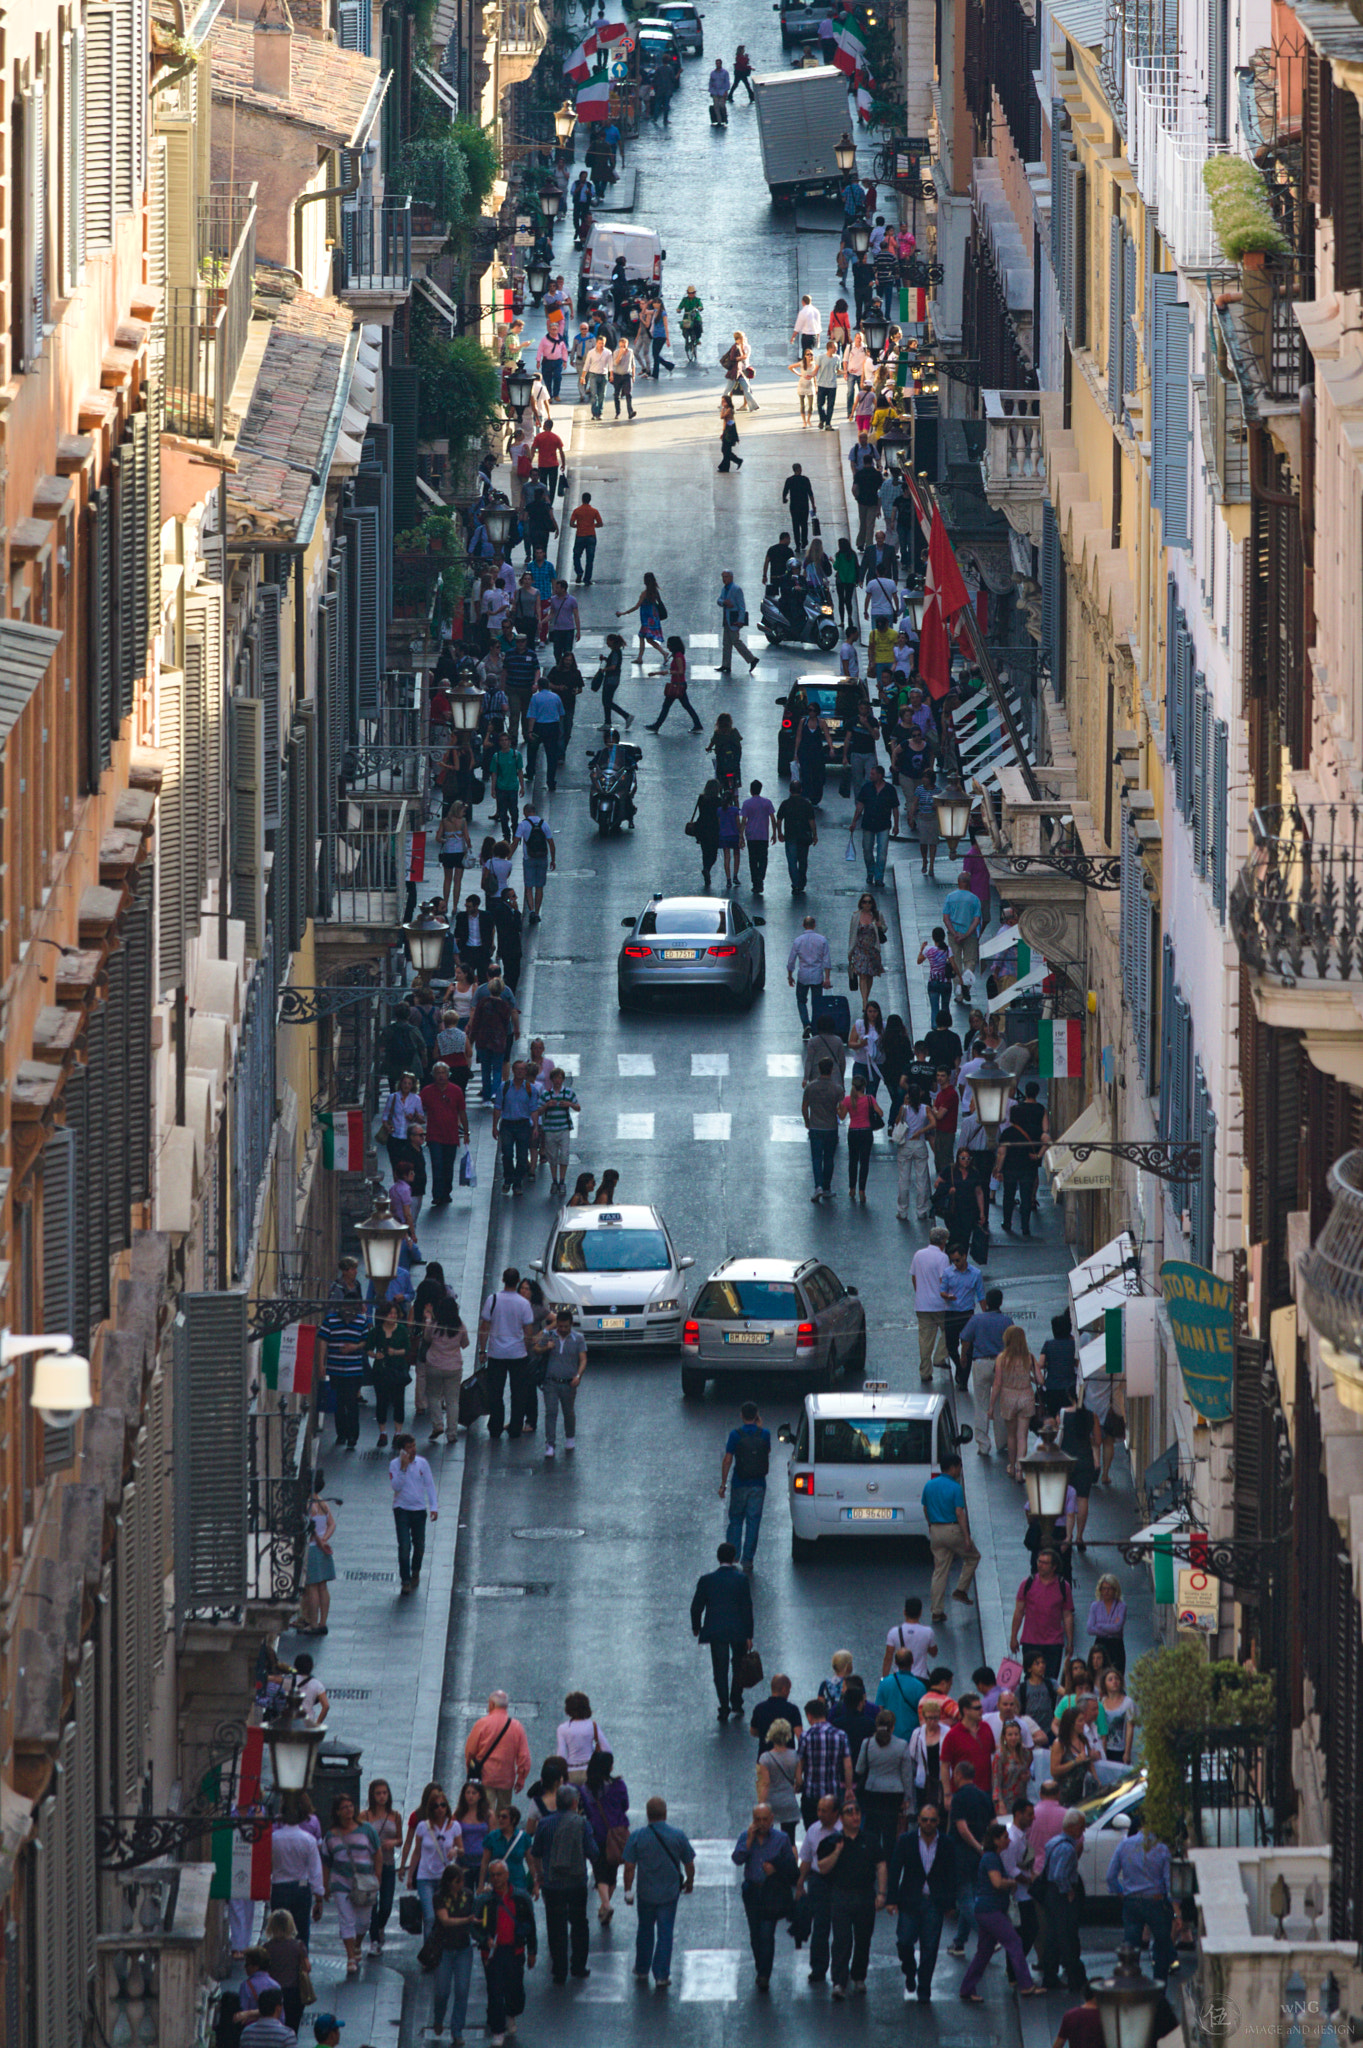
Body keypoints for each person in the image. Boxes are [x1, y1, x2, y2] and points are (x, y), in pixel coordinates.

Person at [958, 1819, 1040, 1998]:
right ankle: (1026, 1984)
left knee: (984, 1952)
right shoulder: (991, 1858)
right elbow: (996, 1882)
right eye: (1004, 1838)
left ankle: (967, 1988)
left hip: (987, 1910)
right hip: (991, 1911)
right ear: (995, 1840)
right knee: (1014, 1942)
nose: (1008, 1841)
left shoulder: (992, 1858)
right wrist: (1011, 1882)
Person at [623, 1796, 696, 1988]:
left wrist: (628, 1890)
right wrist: (690, 1881)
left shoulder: (637, 1836)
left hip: (645, 1893)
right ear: (665, 1813)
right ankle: (661, 1974)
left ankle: (641, 1968)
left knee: (645, 1930)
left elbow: (629, 1866)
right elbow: (689, 1863)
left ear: (647, 1815)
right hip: (669, 1894)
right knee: (665, 1932)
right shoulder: (677, 1835)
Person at [817, 1800, 886, 1998]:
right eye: (849, 1813)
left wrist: (881, 1893)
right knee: (841, 1940)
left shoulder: (871, 1840)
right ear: (841, 1818)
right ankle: (839, 1981)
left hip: (865, 1896)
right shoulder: (831, 1842)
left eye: (857, 1812)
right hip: (841, 1895)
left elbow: (881, 1865)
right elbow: (822, 1867)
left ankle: (859, 1977)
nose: (855, 1816)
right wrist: (837, 1852)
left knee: (863, 1939)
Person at [890, 1800, 954, 2003]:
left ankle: (924, 1988)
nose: (928, 1824)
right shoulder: (906, 1841)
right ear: (918, 1820)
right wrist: (891, 1899)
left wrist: (951, 1903)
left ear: (938, 1822)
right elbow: (895, 1870)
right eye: (924, 1820)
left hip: (934, 1902)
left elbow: (952, 1875)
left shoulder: (946, 1843)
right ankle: (910, 1971)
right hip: (910, 1900)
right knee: (904, 1941)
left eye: (932, 1820)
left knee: (930, 1947)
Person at [530, 1786, 593, 1983]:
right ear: (575, 1803)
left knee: (555, 1926)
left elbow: (536, 1852)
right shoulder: (582, 1824)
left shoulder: (544, 1824)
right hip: (576, 1882)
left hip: (552, 1883)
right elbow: (593, 1851)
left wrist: (540, 1874)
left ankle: (559, 1970)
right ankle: (578, 1966)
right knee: (579, 1923)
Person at [472, 1857, 537, 2047]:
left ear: (507, 1875)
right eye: (492, 1875)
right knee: (494, 1991)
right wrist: (485, 1939)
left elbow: (530, 1925)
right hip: (491, 1955)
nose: (496, 1878)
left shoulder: (521, 1898)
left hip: (515, 1951)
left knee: (515, 1989)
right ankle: (497, 2029)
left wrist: (532, 1951)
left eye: (499, 1874)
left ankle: (511, 2013)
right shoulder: (483, 1901)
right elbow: (474, 1927)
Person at [732, 1805, 797, 1991]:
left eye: (764, 1819)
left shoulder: (781, 1839)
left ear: (771, 1819)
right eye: (757, 1819)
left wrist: (776, 1869)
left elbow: (792, 1867)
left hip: (772, 1891)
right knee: (755, 1934)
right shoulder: (746, 1837)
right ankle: (760, 1966)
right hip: (751, 1890)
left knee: (766, 1933)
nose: (761, 1824)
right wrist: (749, 1842)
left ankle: (764, 1974)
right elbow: (737, 1859)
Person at [691, 1540, 754, 1718]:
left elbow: (696, 1607)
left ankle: (724, 1705)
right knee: (738, 1666)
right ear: (734, 1558)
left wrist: (696, 1627)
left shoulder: (707, 1580)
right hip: (738, 1630)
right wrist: (749, 1634)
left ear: (718, 1558)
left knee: (720, 1669)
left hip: (716, 1630)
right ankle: (736, 1700)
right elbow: (746, 1608)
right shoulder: (741, 1580)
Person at [322, 1795, 381, 1978]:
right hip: (342, 1883)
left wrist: (377, 1878)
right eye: (344, 1807)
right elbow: (326, 1861)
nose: (348, 1810)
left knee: (363, 1922)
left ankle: (357, 1944)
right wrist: (325, 1885)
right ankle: (350, 1957)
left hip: (365, 1883)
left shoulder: (367, 1830)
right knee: (346, 1919)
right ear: (337, 1812)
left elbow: (377, 1853)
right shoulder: (331, 1835)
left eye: (350, 1806)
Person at [1107, 1819, 1173, 1976]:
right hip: (1156, 1899)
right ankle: (1160, 1987)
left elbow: (1111, 1876)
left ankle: (1131, 1984)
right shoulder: (1162, 1848)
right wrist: (1173, 1903)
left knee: (1130, 1947)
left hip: (1132, 1899)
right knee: (1162, 1946)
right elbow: (1169, 1880)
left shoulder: (1124, 1845)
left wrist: (1120, 1892)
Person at [476, 1268, 536, 1441]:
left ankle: (496, 1426)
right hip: (518, 1355)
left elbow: (484, 1327)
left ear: (503, 1279)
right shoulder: (523, 1304)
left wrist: (482, 1350)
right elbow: (528, 1330)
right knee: (518, 1393)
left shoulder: (493, 1300)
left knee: (496, 1393)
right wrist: (525, 1347)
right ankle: (515, 1427)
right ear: (517, 1282)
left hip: (497, 1354)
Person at [922, 1453, 979, 1623]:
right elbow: (959, 1512)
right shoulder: (955, 1487)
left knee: (940, 1571)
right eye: (960, 1467)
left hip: (936, 1530)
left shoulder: (929, 1485)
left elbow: (925, 1508)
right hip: (953, 1529)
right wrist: (967, 1537)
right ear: (953, 1467)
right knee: (973, 1557)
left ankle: (937, 1611)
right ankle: (961, 1589)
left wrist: (930, 1525)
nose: (960, 1471)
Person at [855, 1711, 915, 1863]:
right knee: (890, 1833)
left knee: (872, 1830)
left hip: (872, 1791)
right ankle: (888, 1865)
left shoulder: (867, 1743)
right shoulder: (902, 1745)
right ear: (893, 1726)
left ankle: (870, 1861)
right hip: (894, 1793)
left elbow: (859, 1769)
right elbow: (907, 1775)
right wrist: (908, 1797)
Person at [1037, 1810, 1087, 1990]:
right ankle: (1076, 1977)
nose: (1084, 1830)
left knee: (1053, 1936)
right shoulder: (1067, 1848)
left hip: (1050, 1894)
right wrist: (1069, 1892)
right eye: (1082, 1826)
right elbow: (1060, 1875)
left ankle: (1050, 1976)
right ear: (1073, 1828)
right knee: (1066, 1936)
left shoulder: (1053, 1842)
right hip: (1060, 1895)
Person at [719, 1400, 771, 1570]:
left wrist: (723, 1484)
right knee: (753, 1521)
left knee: (735, 1520)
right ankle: (748, 1559)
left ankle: (733, 1557)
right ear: (757, 1416)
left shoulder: (735, 1435)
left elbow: (728, 1460)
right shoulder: (765, 1434)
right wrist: (760, 1426)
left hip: (739, 1483)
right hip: (758, 1484)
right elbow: (767, 1452)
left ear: (741, 1416)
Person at [1011, 1548, 1075, 1680]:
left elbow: (1067, 1615)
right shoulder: (1027, 1583)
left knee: (1051, 1680)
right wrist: (1013, 1637)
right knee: (1031, 1679)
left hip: (1054, 1642)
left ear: (1054, 1567)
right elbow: (1019, 1612)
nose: (1040, 1565)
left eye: (1045, 1563)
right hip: (1031, 1641)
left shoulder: (1064, 1586)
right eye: (1039, 1561)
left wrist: (1070, 1641)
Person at [317, 1294, 369, 1453]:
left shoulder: (362, 1321)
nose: (348, 1310)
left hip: (354, 1370)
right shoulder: (330, 1320)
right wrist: (321, 1363)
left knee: (352, 1402)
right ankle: (341, 1434)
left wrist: (354, 1347)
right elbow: (323, 1341)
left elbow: (366, 1340)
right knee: (339, 1402)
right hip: (335, 1368)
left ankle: (353, 1436)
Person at [990, 1325, 1042, 1480]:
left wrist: (991, 1406)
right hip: (1026, 1396)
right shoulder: (1030, 1357)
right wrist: (1030, 1377)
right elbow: (1040, 1380)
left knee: (1011, 1435)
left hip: (1008, 1397)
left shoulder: (1002, 1358)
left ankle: (1012, 1467)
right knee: (1022, 1436)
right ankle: (1020, 1470)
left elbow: (997, 1383)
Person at [389, 1435, 438, 1595]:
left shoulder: (422, 1463)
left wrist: (434, 1506)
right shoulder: (394, 1465)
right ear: (402, 1450)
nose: (413, 1450)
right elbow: (396, 1486)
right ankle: (405, 1580)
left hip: (418, 1510)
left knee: (420, 1545)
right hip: (401, 1509)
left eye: (414, 1446)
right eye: (409, 1447)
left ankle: (415, 1570)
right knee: (404, 1546)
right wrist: (403, 1468)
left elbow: (429, 1484)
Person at [464, 1692, 531, 1801]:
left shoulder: (482, 1724)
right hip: (506, 1780)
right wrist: (521, 1778)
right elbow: (524, 1756)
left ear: (492, 1705)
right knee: (504, 1814)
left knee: (486, 1811)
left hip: (485, 1777)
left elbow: (470, 1751)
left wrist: (470, 1769)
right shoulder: (516, 1726)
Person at [797, 1697, 853, 1824]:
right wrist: (848, 1788)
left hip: (811, 1793)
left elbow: (800, 1762)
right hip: (832, 1792)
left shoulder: (805, 1737)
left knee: (812, 1831)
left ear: (809, 1715)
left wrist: (799, 1782)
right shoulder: (840, 1735)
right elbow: (847, 1765)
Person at [911, 1226, 953, 1383]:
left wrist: (920, 1293)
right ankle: (940, 1356)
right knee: (949, 1332)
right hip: (940, 1304)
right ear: (943, 1242)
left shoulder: (918, 1255)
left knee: (925, 1340)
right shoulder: (942, 1258)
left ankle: (925, 1372)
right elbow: (944, 1280)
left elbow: (914, 1277)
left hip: (922, 1305)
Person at [802, 1054, 842, 1202]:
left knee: (816, 1158)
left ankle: (818, 1186)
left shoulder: (811, 1087)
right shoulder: (837, 1089)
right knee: (829, 1158)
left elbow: (804, 1106)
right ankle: (826, 1187)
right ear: (831, 1070)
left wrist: (807, 1121)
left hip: (815, 1127)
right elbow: (841, 1110)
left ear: (818, 1069)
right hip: (831, 1127)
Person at [646, 636, 703, 733]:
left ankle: (657, 726)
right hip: (679, 684)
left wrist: (667, 672)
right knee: (685, 706)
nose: (668, 647)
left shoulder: (678, 656)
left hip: (678, 684)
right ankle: (697, 724)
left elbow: (680, 671)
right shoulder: (677, 655)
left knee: (668, 706)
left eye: (669, 645)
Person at [838, 1071, 878, 1202]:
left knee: (853, 1161)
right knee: (864, 1162)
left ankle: (852, 1188)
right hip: (866, 1131)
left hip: (853, 1131)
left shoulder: (848, 1100)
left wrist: (838, 1107)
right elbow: (881, 1113)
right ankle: (862, 1190)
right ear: (864, 1086)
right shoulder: (869, 1099)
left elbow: (842, 1117)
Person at [943, 869, 984, 997]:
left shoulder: (950, 897)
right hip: (970, 935)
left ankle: (959, 991)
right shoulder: (975, 899)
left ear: (958, 882)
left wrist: (954, 933)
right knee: (970, 962)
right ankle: (965, 985)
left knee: (955, 962)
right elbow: (976, 920)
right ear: (969, 883)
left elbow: (946, 918)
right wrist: (966, 935)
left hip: (953, 935)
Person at [787, 915, 832, 1031]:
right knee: (817, 1002)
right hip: (817, 976)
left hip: (803, 976)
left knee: (801, 1001)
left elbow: (791, 960)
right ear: (814, 925)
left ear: (803, 925)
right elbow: (827, 960)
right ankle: (816, 1025)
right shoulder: (822, 940)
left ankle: (806, 1023)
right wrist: (827, 978)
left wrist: (790, 976)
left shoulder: (798, 941)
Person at [756, 1719, 802, 1830]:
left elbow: (765, 1784)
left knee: (767, 1839)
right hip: (788, 1802)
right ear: (787, 1735)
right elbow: (799, 1781)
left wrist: (761, 1805)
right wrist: (795, 1788)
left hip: (771, 1803)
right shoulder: (795, 1756)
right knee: (790, 1840)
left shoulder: (765, 1758)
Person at [777, 781, 820, 894]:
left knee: (792, 861)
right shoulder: (807, 804)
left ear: (790, 790)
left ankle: (795, 883)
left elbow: (779, 819)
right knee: (803, 860)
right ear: (801, 790)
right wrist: (814, 835)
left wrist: (779, 833)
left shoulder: (785, 804)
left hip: (790, 836)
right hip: (804, 836)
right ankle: (801, 881)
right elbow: (812, 821)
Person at [717, 569, 759, 675]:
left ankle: (751, 659)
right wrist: (724, 602)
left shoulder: (736, 589)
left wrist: (740, 620)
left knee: (735, 641)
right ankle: (726, 664)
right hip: (727, 619)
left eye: (726, 577)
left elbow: (742, 606)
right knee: (726, 643)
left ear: (731, 577)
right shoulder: (724, 589)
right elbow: (719, 600)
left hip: (733, 620)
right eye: (723, 577)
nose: (724, 579)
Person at [740, 780, 776, 893]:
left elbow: (744, 820)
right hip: (763, 835)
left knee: (753, 859)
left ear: (751, 790)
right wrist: (774, 833)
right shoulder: (767, 803)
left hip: (751, 835)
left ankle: (755, 881)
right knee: (763, 858)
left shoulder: (746, 803)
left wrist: (741, 836)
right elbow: (773, 818)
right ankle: (761, 876)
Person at [750, 1675, 803, 1750]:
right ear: (784, 1690)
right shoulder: (793, 1710)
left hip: (765, 1756)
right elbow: (800, 1736)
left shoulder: (759, 1708)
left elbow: (753, 1731)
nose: (789, 1692)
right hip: (787, 1758)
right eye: (789, 1690)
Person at [1089, 1575, 1128, 1674]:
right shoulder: (1095, 1606)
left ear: (1115, 1590)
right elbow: (1090, 1628)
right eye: (1104, 1588)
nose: (1106, 1591)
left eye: (1109, 1588)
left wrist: (1099, 1625)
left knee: (1116, 1674)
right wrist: (1110, 1628)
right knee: (1098, 1674)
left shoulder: (1121, 1606)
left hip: (1116, 1645)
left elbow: (1117, 1628)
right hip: (1100, 1643)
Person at [782, 463, 817, 553]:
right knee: (804, 524)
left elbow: (785, 492)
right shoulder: (805, 480)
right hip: (804, 505)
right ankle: (804, 541)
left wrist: (784, 499)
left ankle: (797, 544)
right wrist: (813, 505)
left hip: (794, 506)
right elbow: (810, 493)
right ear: (800, 469)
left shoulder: (789, 480)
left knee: (795, 525)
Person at [717, 392, 742, 471]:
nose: (723, 403)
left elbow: (722, 417)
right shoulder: (727, 409)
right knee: (726, 450)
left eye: (724, 402)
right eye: (722, 402)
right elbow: (725, 422)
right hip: (726, 430)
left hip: (729, 432)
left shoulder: (729, 410)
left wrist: (722, 409)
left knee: (725, 450)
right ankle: (725, 467)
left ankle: (737, 461)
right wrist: (723, 432)